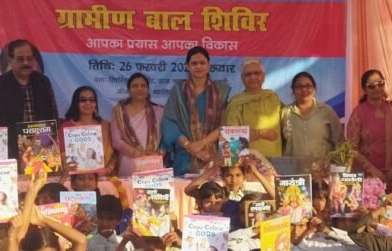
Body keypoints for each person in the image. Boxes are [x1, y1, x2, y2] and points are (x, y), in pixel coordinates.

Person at [0, 39, 58, 161]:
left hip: (41, 152)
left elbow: (53, 118)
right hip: (8, 154)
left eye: (29, 58)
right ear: (10, 60)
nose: (26, 63)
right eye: (20, 59)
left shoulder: (44, 82)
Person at [161, 46, 230, 176]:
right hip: (184, 156)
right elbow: (169, 123)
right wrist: (189, 146)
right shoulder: (178, 91)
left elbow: (225, 125)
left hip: (212, 155)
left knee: (213, 188)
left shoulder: (221, 92)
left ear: (209, 66)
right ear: (187, 66)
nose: (198, 66)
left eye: (202, 63)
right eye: (194, 63)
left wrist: (202, 144)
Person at [346, 69, 392, 192]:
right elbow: (351, 148)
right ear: (364, 90)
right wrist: (372, 169)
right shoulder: (358, 113)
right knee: (371, 203)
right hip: (368, 177)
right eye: (371, 86)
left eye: (380, 84)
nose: (377, 88)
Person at [281, 71, 344, 176]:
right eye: (299, 86)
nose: (304, 89)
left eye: (308, 86)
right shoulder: (284, 113)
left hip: (322, 173)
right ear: (293, 91)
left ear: (314, 89)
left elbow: (340, 143)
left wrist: (338, 171)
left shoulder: (326, 111)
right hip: (293, 174)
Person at [225, 58, 282, 157]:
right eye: (248, 74)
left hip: (275, 158)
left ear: (263, 76)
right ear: (242, 78)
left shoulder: (272, 97)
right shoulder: (236, 102)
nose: (253, 77)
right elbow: (231, 137)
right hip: (247, 160)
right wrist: (260, 133)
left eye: (257, 73)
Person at [110, 73, 163, 177]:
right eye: (135, 86)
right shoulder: (119, 113)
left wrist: (158, 153)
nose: (139, 88)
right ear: (129, 91)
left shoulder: (159, 111)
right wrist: (136, 153)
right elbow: (116, 141)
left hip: (152, 161)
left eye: (143, 86)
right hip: (128, 161)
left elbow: (166, 139)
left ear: (148, 90)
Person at [62, 86, 116, 175]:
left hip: (103, 177)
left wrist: (108, 169)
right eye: (83, 100)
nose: (88, 103)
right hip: (74, 178)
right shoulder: (66, 126)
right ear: (76, 103)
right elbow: (60, 155)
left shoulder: (106, 126)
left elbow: (115, 154)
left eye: (92, 100)